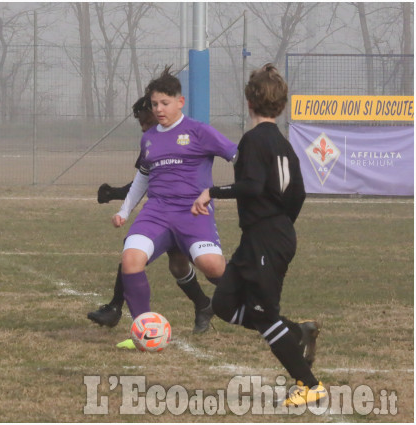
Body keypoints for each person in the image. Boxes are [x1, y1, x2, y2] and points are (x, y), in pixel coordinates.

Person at [191, 63, 325, 407]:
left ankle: (309, 385)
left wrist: (211, 191)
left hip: (266, 237)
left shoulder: (253, 140)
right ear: (280, 105)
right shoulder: (283, 143)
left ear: (249, 101)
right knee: (223, 303)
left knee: (264, 315)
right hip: (264, 236)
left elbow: (251, 186)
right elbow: (298, 194)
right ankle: (296, 332)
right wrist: (280, 223)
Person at [113, 67, 237, 345]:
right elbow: (142, 177)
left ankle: (254, 306)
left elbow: (236, 155)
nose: (159, 109)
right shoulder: (149, 138)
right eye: (155, 104)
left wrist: (248, 186)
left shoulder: (199, 131)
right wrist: (124, 210)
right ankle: (142, 331)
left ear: (180, 102)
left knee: (213, 267)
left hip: (193, 212)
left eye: (165, 103)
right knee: (131, 259)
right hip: (156, 213)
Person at [88, 95, 217, 335]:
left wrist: (115, 193)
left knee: (187, 265)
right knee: (145, 256)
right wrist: (119, 199)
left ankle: (246, 305)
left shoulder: (182, 135)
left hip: (188, 212)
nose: (145, 130)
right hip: (163, 212)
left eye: (146, 123)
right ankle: (202, 304)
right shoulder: (152, 140)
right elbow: (144, 179)